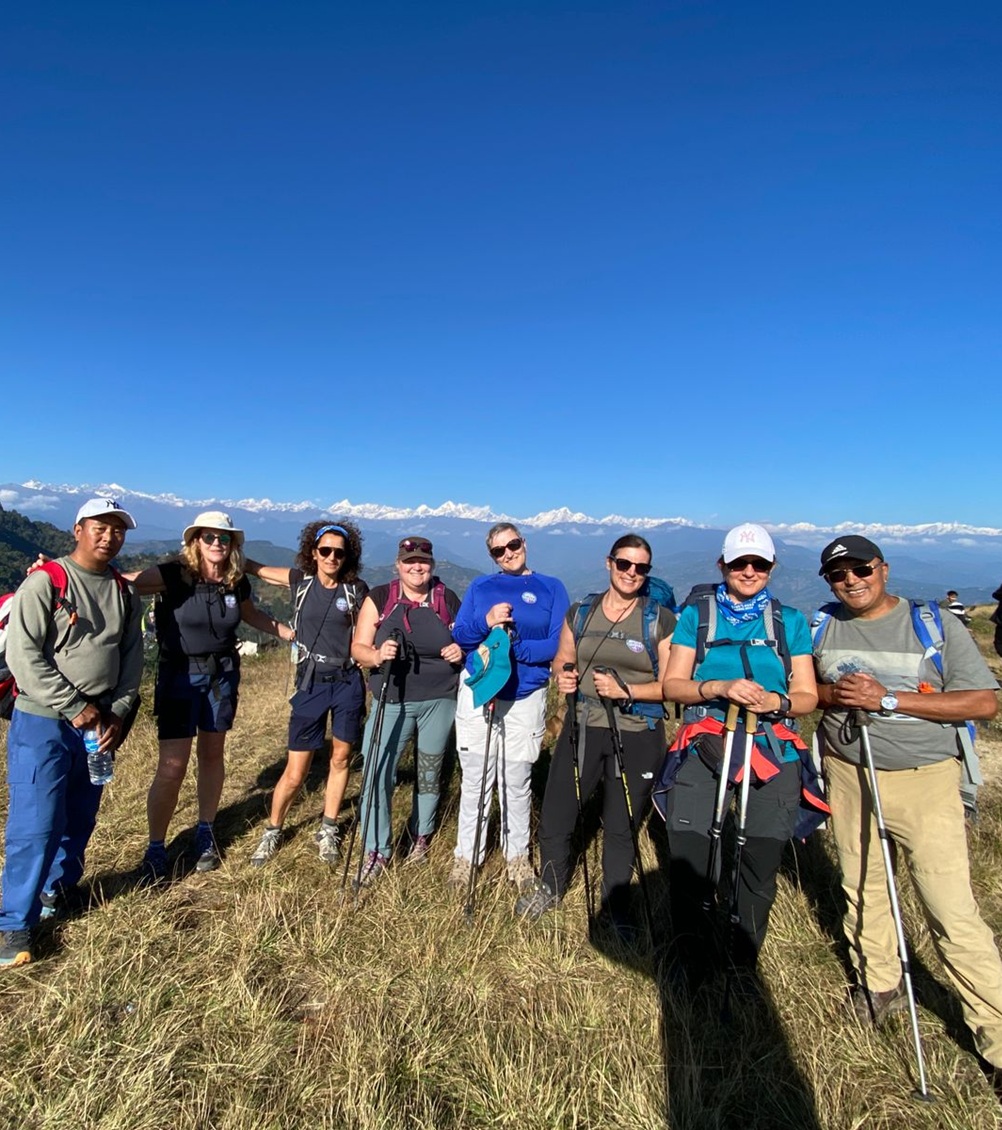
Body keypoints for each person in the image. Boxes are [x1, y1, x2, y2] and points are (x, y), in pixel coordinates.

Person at [812, 534, 1002, 1090]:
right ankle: (880, 985)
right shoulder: (823, 624)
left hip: (926, 781)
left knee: (951, 910)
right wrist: (835, 696)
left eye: (861, 569)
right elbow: (811, 692)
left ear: (884, 570)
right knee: (863, 885)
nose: (851, 580)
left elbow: (984, 701)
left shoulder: (935, 624)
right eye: (838, 574)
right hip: (849, 774)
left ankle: (994, 1036)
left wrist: (888, 700)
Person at [657, 523, 819, 983]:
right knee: (690, 852)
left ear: (771, 567)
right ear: (722, 565)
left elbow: (806, 694)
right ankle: (690, 956)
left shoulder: (790, 622)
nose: (749, 571)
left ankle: (740, 960)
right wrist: (720, 687)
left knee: (760, 861)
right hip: (707, 738)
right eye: (739, 563)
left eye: (760, 564)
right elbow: (674, 684)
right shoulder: (698, 616)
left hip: (771, 745)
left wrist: (778, 702)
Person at [1, 498, 143, 966]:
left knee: (79, 817)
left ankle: (57, 893)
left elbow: (131, 659)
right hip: (42, 719)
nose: (109, 536)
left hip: (97, 723)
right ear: (78, 529)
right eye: (100, 527)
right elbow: (24, 655)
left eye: (118, 530)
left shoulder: (124, 592)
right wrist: (73, 705)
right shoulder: (47, 582)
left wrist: (118, 711)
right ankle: (13, 925)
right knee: (36, 824)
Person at [516, 534, 675, 934]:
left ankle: (615, 904)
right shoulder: (583, 612)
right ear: (609, 564)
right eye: (625, 564)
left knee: (622, 822)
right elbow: (564, 657)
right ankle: (551, 887)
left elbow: (674, 684)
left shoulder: (659, 619)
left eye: (641, 568)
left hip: (638, 731)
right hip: (583, 725)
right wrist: (564, 676)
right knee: (557, 811)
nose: (632, 573)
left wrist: (629, 691)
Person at [131, 511, 293, 882]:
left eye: (224, 538)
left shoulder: (235, 581)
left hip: (221, 675)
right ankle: (156, 846)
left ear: (233, 544)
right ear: (195, 541)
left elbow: (251, 615)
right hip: (179, 675)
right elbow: (125, 583)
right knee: (172, 767)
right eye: (209, 537)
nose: (217, 543)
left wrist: (286, 631)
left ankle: (205, 830)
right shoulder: (174, 575)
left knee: (212, 753)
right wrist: (57, 576)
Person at [450, 523, 570, 892]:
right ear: (492, 556)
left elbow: (559, 643)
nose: (507, 554)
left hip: (525, 695)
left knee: (516, 780)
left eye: (512, 545)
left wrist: (517, 651)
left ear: (524, 544)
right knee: (476, 778)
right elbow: (462, 636)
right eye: (498, 551)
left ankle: (517, 857)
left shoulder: (552, 588)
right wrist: (487, 623)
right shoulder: (481, 588)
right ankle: (466, 857)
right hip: (480, 690)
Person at [246, 521, 367, 867]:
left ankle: (328, 829)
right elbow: (258, 571)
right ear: (313, 554)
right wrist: (228, 554)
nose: (331, 557)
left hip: (346, 681)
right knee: (297, 770)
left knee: (341, 759)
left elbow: (364, 632)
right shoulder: (301, 582)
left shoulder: (356, 590)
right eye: (325, 551)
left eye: (338, 553)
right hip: (311, 682)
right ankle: (273, 829)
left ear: (347, 556)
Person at [348, 537, 464, 885]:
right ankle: (377, 849)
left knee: (429, 771)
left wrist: (460, 650)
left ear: (432, 564)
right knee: (375, 768)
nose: (418, 567)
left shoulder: (447, 599)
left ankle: (421, 835)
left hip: (440, 698)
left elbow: (466, 640)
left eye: (424, 561)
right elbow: (357, 648)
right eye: (410, 561)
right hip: (391, 698)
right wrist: (376, 655)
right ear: (398, 565)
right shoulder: (381, 598)